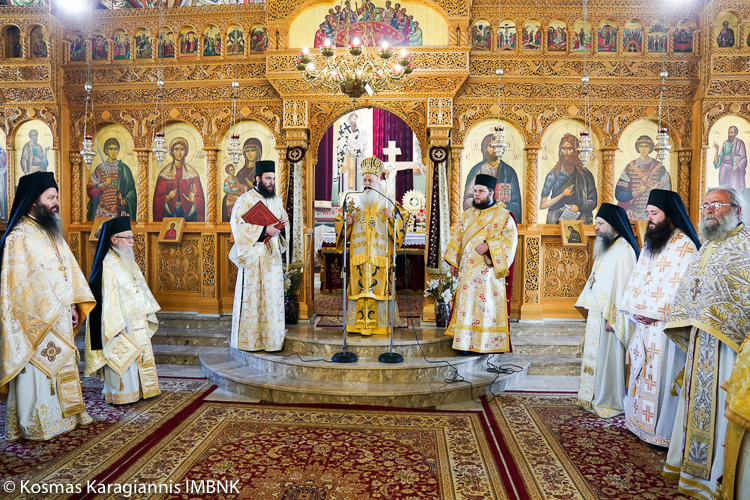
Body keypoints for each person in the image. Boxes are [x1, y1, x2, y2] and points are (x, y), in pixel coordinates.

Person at [663, 186, 750, 500]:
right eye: (706, 205)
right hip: (702, 342)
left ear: (737, 209)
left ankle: (716, 477)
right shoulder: (708, 245)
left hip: (731, 347)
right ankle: (692, 470)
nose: (709, 210)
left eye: (717, 204)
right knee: (698, 405)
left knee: (720, 409)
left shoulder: (745, 246)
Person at [0, 172, 96, 441]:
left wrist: (73, 305)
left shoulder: (52, 232)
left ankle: (68, 416)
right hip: (34, 323)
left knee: (62, 366)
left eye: (56, 197)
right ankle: (38, 424)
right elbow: (19, 288)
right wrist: (52, 310)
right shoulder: (19, 237)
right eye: (51, 197)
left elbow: (67, 273)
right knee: (39, 372)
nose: (56, 202)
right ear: (34, 201)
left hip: (61, 316)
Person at [619, 189, 701, 447]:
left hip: (666, 327)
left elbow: (680, 289)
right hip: (644, 322)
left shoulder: (685, 246)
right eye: (648, 213)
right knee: (643, 371)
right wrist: (633, 309)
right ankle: (638, 424)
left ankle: (661, 432)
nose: (649, 218)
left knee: (662, 376)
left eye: (654, 213)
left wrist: (650, 312)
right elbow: (638, 278)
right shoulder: (651, 243)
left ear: (670, 215)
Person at [84, 216, 161, 405]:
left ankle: (140, 390)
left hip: (135, 320)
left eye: (132, 237)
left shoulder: (127, 260)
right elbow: (107, 300)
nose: (131, 242)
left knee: (138, 358)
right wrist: (115, 327)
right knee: (123, 359)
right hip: (119, 323)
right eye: (127, 238)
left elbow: (139, 287)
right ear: (113, 239)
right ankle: (121, 395)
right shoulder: (107, 264)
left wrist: (145, 312)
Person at [575, 203, 640, 417]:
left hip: (611, 318)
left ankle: (610, 401)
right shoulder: (608, 246)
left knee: (609, 360)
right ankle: (593, 397)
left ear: (614, 225)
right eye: (597, 223)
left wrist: (616, 317)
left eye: (601, 224)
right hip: (598, 313)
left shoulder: (624, 251)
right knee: (598, 358)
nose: (597, 228)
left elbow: (625, 287)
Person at [444, 174, 519, 352]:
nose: (476, 194)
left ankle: (483, 343)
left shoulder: (503, 217)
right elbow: (457, 238)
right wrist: (454, 262)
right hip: (467, 273)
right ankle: (463, 343)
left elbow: (510, 242)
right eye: (475, 191)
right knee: (466, 306)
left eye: (481, 191)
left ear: (491, 193)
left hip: (487, 275)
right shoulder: (467, 215)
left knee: (483, 308)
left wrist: (489, 246)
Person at [335, 157, 406, 336]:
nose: (367, 183)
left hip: (381, 257)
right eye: (364, 180)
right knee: (359, 288)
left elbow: (403, 220)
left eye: (370, 180)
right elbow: (339, 220)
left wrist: (393, 218)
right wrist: (345, 222)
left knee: (380, 288)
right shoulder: (353, 201)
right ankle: (356, 325)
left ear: (378, 181)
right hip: (358, 257)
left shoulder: (388, 200)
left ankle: (381, 324)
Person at [230, 160, 289, 352]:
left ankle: (272, 341)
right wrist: (264, 231)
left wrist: (282, 226)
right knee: (253, 299)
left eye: (273, 178)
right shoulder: (245, 200)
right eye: (268, 178)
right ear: (257, 179)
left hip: (272, 259)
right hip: (254, 259)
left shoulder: (276, 200)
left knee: (271, 299)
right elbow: (237, 226)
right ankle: (251, 341)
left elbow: (283, 224)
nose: (271, 182)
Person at [463, 133, 522, 223]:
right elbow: (467, 201)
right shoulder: (476, 170)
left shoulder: (509, 172)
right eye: (491, 146)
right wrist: (484, 204)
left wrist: (504, 206)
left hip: (501, 221)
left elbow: (517, 206)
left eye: (497, 147)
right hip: (479, 221)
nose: (495, 150)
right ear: (485, 148)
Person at [540, 133, 598, 224]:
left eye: (570, 149)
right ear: (560, 151)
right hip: (556, 217)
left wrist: (579, 207)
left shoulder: (585, 174)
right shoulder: (553, 175)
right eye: (563, 149)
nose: (566, 153)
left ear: (575, 151)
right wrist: (562, 195)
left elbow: (593, 201)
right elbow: (542, 205)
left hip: (579, 216)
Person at [615, 135, 672, 221]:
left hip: (654, 215)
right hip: (632, 214)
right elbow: (619, 194)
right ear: (637, 148)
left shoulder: (660, 168)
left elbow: (668, 194)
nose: (643, 149)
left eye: (646, 146)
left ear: (650, 148)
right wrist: (637, 192)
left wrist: (656, 190)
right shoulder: (630, 167)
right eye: (641, 146)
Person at [153, 137, 205, 222]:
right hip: (169, 213)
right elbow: (156, 199)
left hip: (189, 213)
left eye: (182, 149)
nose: (179, 153)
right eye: (176, 149)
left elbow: (201, 200)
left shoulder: (192, 174)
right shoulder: (164, 173)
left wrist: (193, 200)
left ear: (186, 152)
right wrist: (167, 197)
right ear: (172, 152)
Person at [86, 138, 137, 221]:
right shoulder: (99, 169)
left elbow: (131, 190)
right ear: (106, 151)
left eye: (115, 149)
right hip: (102, 212)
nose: (113, 152)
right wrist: (105, 185)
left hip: (120, 212)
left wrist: (124, 201)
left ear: (118, 150)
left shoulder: (124, 169)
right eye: (111, 149)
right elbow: (90, 192)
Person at [713, 125, 747, 193]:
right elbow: (718, 161)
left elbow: (744, 158)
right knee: (724, 191)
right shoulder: (725, 144)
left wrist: (738, 166)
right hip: (724, 170)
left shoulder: (740, 143)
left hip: (734, 171)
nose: (729, 134)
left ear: (735, 133)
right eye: (728, 133)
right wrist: (716, 150)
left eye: (731, 132)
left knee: (735, 191)